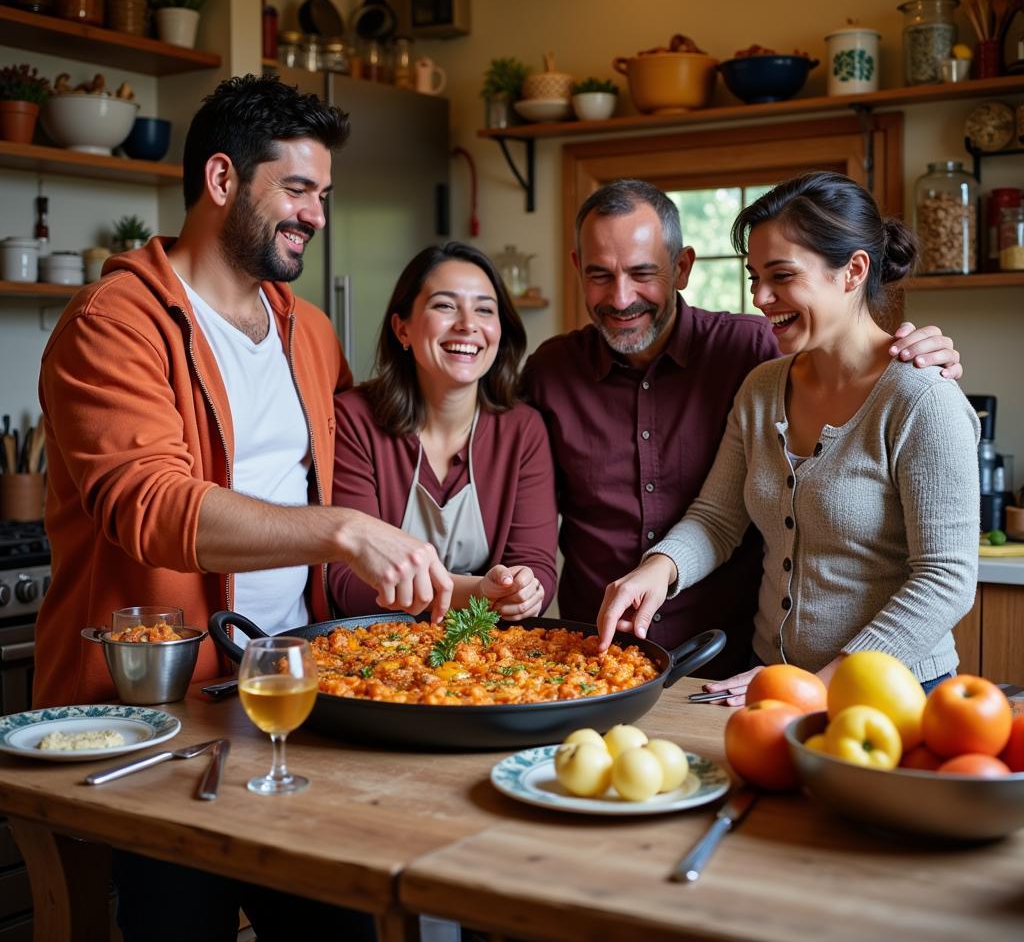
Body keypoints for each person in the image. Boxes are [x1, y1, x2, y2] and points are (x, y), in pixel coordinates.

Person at [36, 74, 452, 941]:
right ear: (222, 180)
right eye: (297, 190)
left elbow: (359, 469)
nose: (316, 215)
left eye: (324, 195)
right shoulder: (114, 323)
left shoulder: (307, 329)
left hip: (291, 701)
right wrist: (342, 533)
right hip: (161, 717)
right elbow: (149, 507)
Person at [522, 178, 964, 679]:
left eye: (780, 275)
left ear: (854, 271)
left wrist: (824, 684)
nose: (760, 296)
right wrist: (656, 570)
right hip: (765, 677)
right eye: (754, 276)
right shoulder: (763, 385)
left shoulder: (921, 395)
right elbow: (717, 517)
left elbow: (945, 579)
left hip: (890, 688)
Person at [330, 243, 556, 619]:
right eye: (445, 306)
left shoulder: (523, 430)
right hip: (369, 659)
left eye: (484, 309)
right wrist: (477, 592)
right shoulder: (354, 420)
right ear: (402, 328)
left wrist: (525, 589)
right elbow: (348, 585)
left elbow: (536, 566)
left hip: (490, 660)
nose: (468, 324)